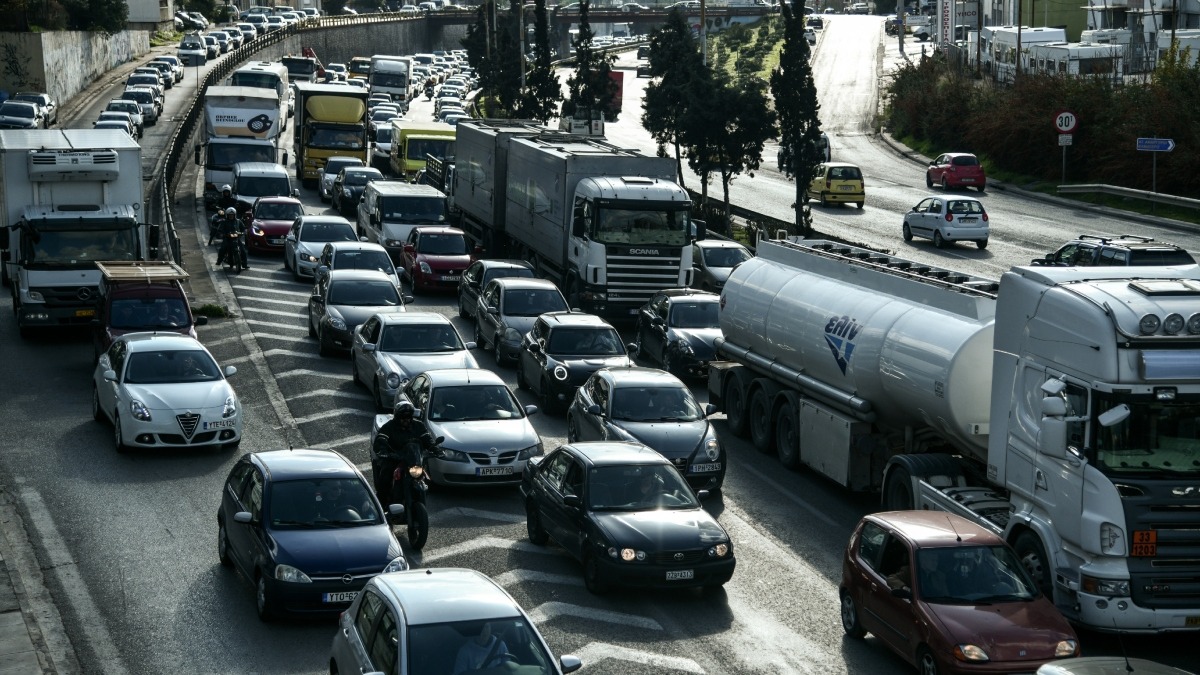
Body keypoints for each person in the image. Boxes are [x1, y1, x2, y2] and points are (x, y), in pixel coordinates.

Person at [373, 400, 434, 504]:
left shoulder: (418, 426)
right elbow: (381, 438)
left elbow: (427, 438)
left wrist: (434, 448)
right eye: (403, 417)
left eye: (408, 417)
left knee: (428, 480)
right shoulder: (389, 426)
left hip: (413, 462)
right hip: (394, 459)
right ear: (397, 417)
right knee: (385, 479)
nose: (406, 420)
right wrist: (383, 450)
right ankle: (382, 507)